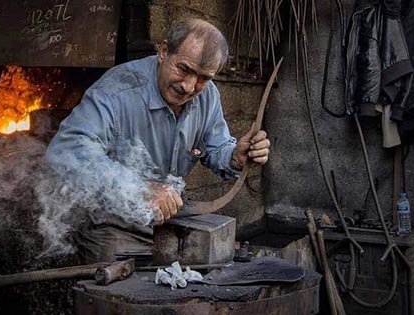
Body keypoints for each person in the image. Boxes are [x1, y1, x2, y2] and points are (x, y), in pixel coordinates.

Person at [47, 19, 271, 263]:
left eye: (204, 77)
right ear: (163, 52)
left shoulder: (208, 96)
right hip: (113, 225)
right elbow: (65, 152)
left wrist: (233, 157)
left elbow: (215, 147)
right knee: (128, 292)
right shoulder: (116, 91)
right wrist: (137, 188)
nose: (189, 86)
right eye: (183, 69)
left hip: (170, 223)